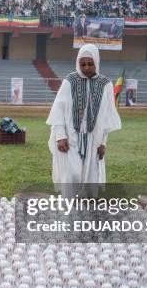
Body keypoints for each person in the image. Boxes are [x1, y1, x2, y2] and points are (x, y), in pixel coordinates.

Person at [46, 44, 121, 184]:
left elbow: (107, 118)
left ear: (96, 62)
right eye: (82, 64)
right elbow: (58, 110)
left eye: (90, 64)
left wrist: (103, 143)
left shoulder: (106, 84)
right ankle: (70, 204)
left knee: (91, 179)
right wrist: (61, 136)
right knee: (73, 176)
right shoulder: (70, 81)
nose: (86, 67)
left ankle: (85, 204)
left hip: (94, 138)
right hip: (71, 136)